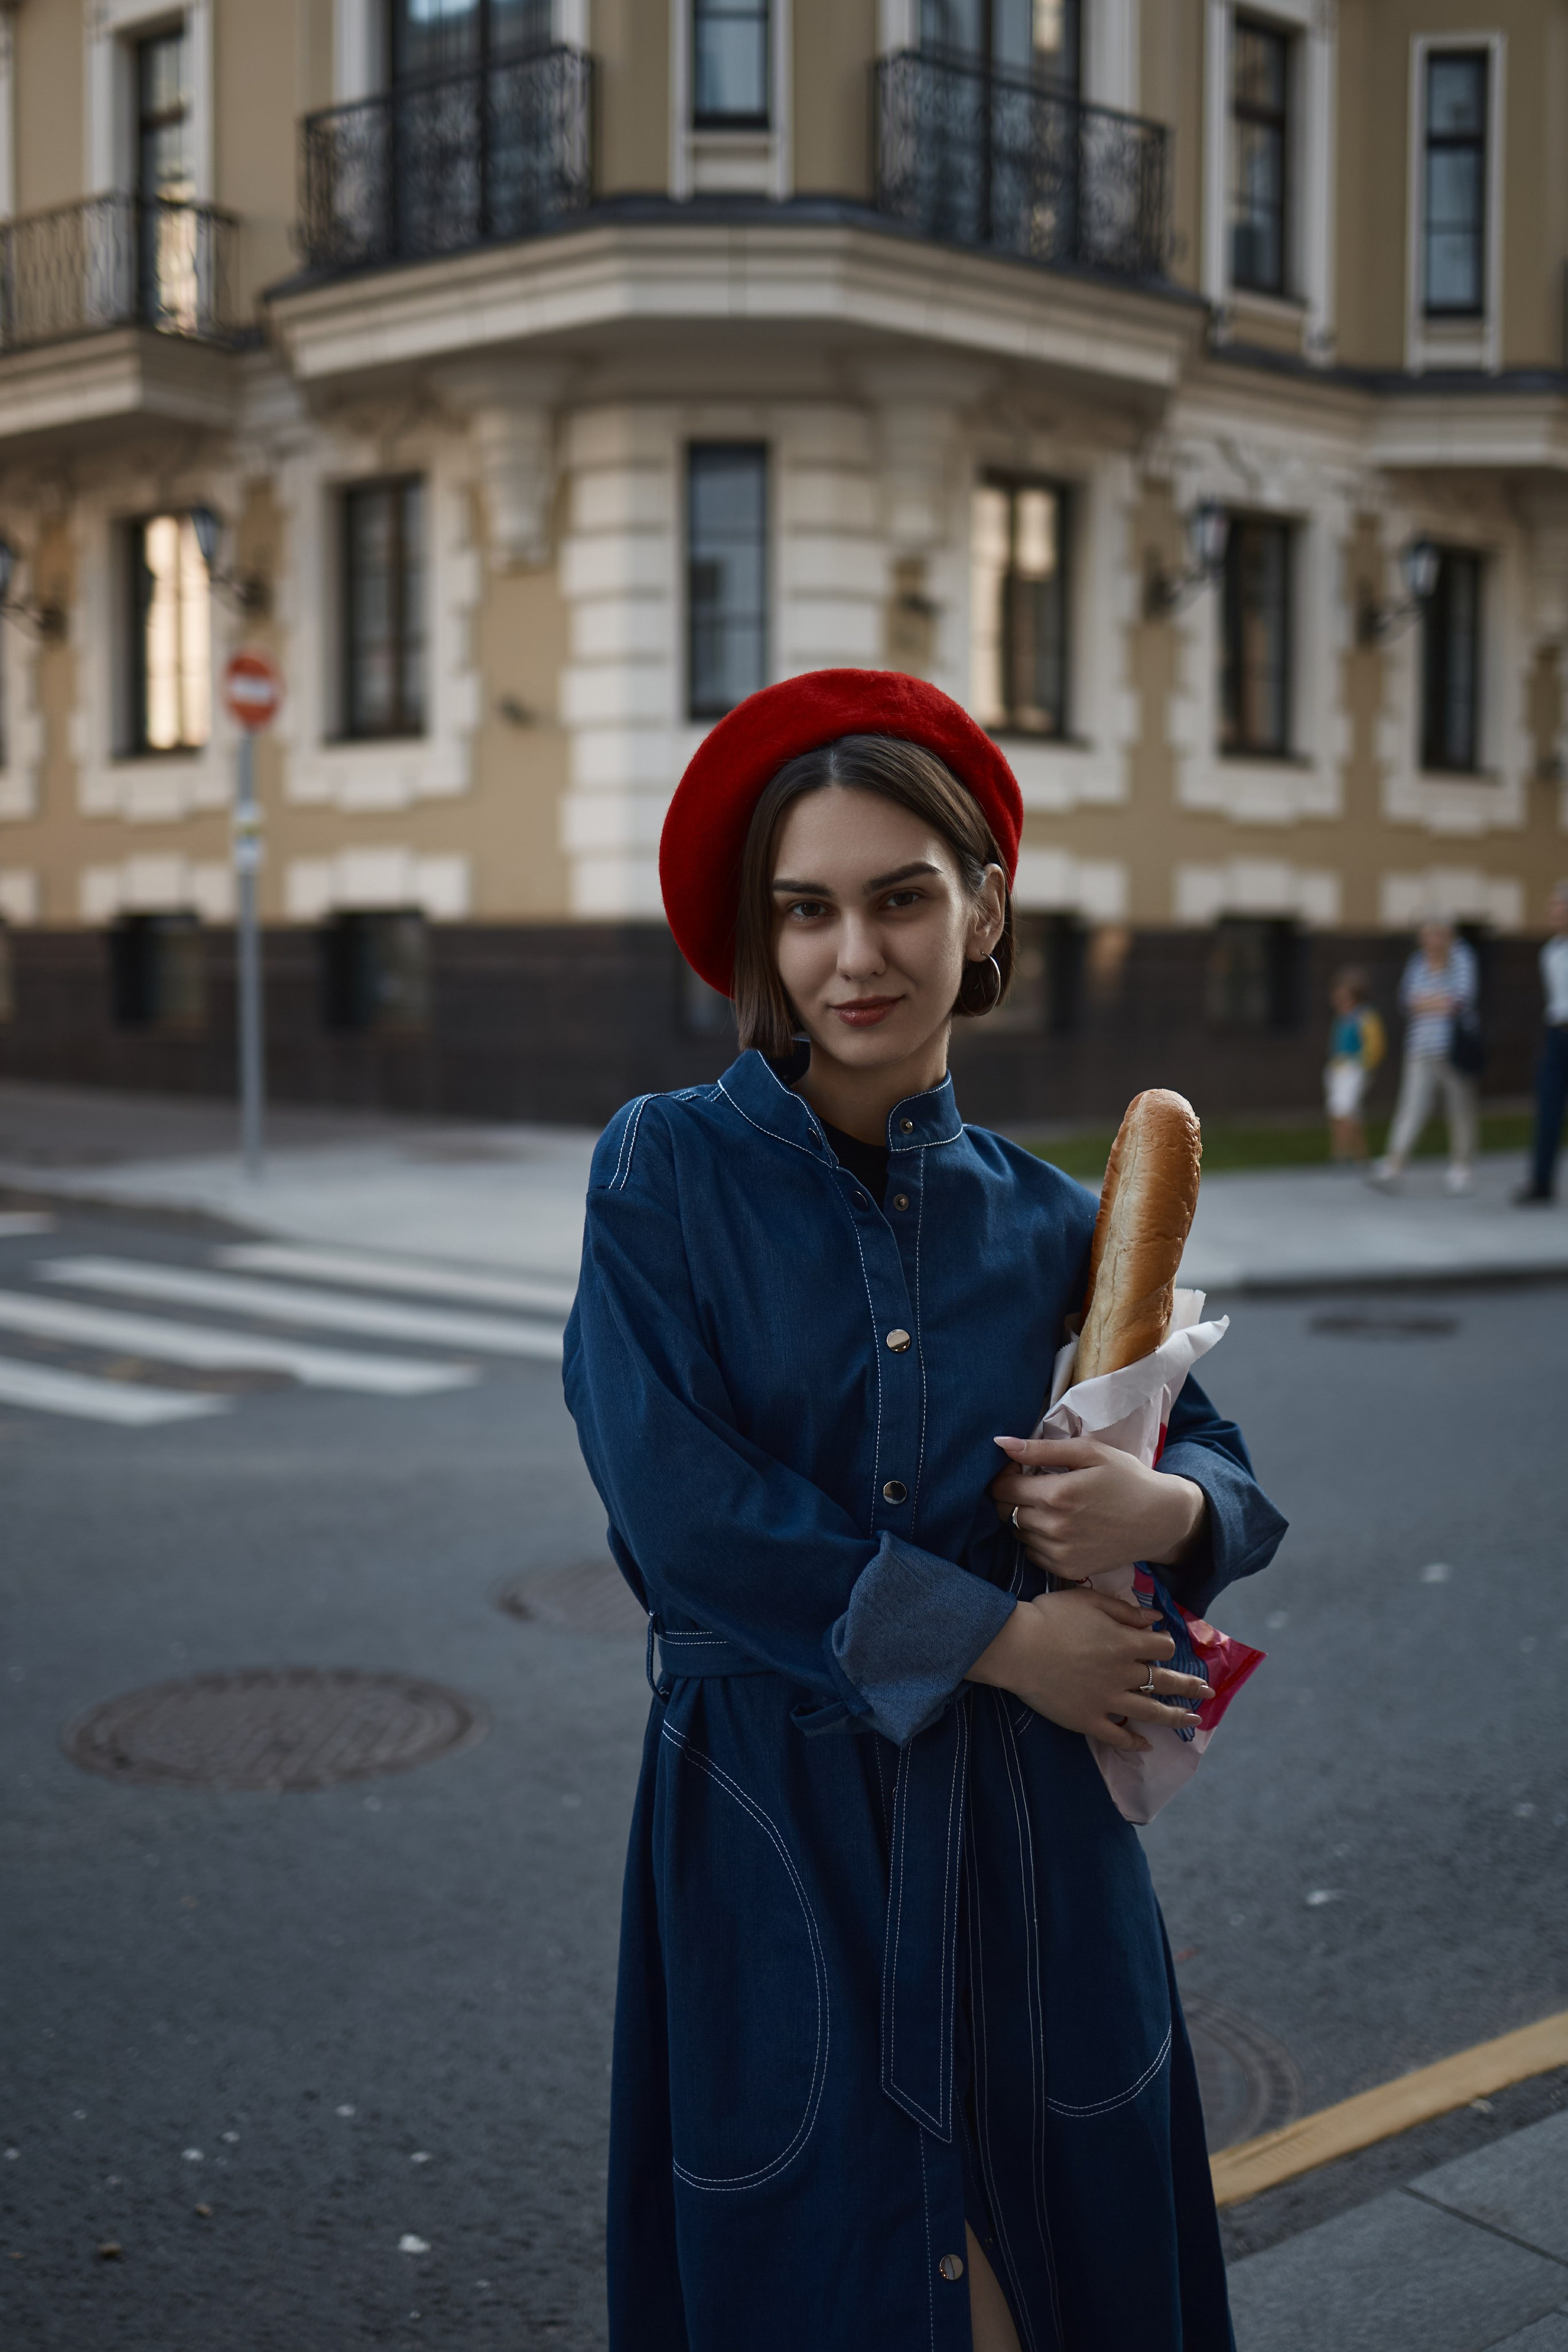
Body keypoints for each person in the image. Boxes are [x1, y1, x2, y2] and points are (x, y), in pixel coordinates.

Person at [564, 671, 1287, 2352]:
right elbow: (684, 1516)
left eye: (901, 899)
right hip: (772, 1829)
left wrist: (1159, 1505)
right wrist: (1002, 1640)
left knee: (1055, 2274)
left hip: (1037, 1852)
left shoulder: (1057, 1228)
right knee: (828, 2281)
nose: (853, 957)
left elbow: (1232, 1477)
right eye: (805, 912)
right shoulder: (662, 1170)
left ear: (984, 912)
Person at [1370, 918, 1480, 1193]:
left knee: (1460, 1108)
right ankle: (1394, 1165)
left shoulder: (1462, 959)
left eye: (1437, 934)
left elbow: (1459, 1000)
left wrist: (1427, 1001)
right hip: (1420, 1046)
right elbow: (1407, 1001)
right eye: (1427, 935)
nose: (1431, 941)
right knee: (1411, 1105)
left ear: (1448, 935)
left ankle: (1461, 1168)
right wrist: (1436, 1000)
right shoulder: (1417, 962)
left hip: (1454, 1048)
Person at [1516, 881, 1568, 1204]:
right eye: (1552, 908)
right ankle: (1541, 1183)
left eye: (1560, 908)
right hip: (1556, 1033)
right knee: (1548, 1108)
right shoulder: (1549, 952)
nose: (1554, 914)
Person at [1323, 966, 1385, 1166]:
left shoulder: (1364, 1016)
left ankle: (1341, 1155)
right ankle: (1361, 1156)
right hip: (1338, 1069)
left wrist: (1362, 1065)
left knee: (1342, 1112)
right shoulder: (1342, 1017)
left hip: (1352, 1070)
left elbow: (1375, 1046)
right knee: (1349, 1115)